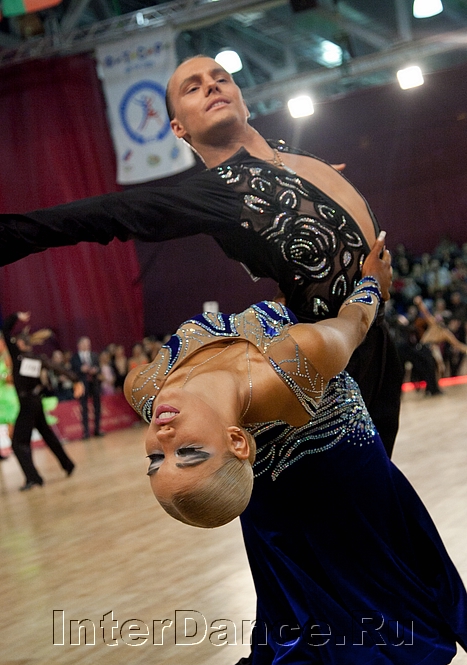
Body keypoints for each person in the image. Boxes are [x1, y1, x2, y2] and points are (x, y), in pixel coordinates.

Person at [0, 55, 403, 459]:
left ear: (243, 100)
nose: (211, 85)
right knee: (356, 491)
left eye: (220, 78)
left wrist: (315, 184)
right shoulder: (219, 192)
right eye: (192, 88)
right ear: (179, 127)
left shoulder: (291, 156)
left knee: (384, 488)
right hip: (335, 377)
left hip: (377, 346)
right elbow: (107, 214)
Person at [123, 235, 467, 665]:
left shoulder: (144, 388)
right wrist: (372, 284)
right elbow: (353, 323)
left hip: (289, 480)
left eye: (155, 460)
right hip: (340, 465)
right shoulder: (292, 364)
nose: (162, 436)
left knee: (323, 610)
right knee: (368, 610)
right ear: (237, 441)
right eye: (187, 454)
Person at [1, 312, 81, 490]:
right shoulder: (36, 359)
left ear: (20, 344)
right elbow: (57, 367)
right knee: (49, 436)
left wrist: (16, 316)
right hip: (36, 402)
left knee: (18, 443)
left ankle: (34, 478)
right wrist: (75, 380)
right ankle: (68, 465)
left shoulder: (17, 356)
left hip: (28, 404)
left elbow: (5, 330)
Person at [71, 337, 104, 439]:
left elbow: (99, 368)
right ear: (79, 345)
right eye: (85, 343)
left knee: (97, 406)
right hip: (82, 384)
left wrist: (95, 370)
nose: (87, 345)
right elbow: (72, 370)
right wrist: (81, 369)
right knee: (84, 407)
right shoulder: (75, 357)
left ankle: (97, 429)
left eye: (88, 343)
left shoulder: (94, 355)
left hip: (94, 383)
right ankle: (86, 432)